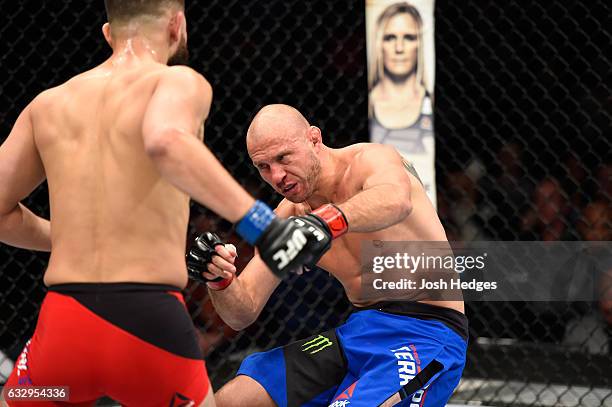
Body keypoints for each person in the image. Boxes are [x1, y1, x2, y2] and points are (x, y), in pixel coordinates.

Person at [0, 2, 331, 406]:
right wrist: (263, 224)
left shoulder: (47, 105)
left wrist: (72, 240)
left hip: (63, 333)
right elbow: (163, 140)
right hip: (147, 327)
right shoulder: (178, 83)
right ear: (177, 26)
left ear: (109, 33)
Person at [191, 105, 468, 406]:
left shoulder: (369, 160)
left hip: (427, 331)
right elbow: (242, 313)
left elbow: (395, 200)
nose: (278, 176)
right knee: (234, 399)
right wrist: (218, 279)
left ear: (314, 139)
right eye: (263, 167)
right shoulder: (285, 220)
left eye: (284, 158)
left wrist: (324, 223)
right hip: (360, 331)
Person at [368, 2, 433, 156]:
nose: (399, 48)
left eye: (409, 37)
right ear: (379, 43)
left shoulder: (433, 104)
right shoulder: (365, 104)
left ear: (420, 43)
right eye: (390, 38)